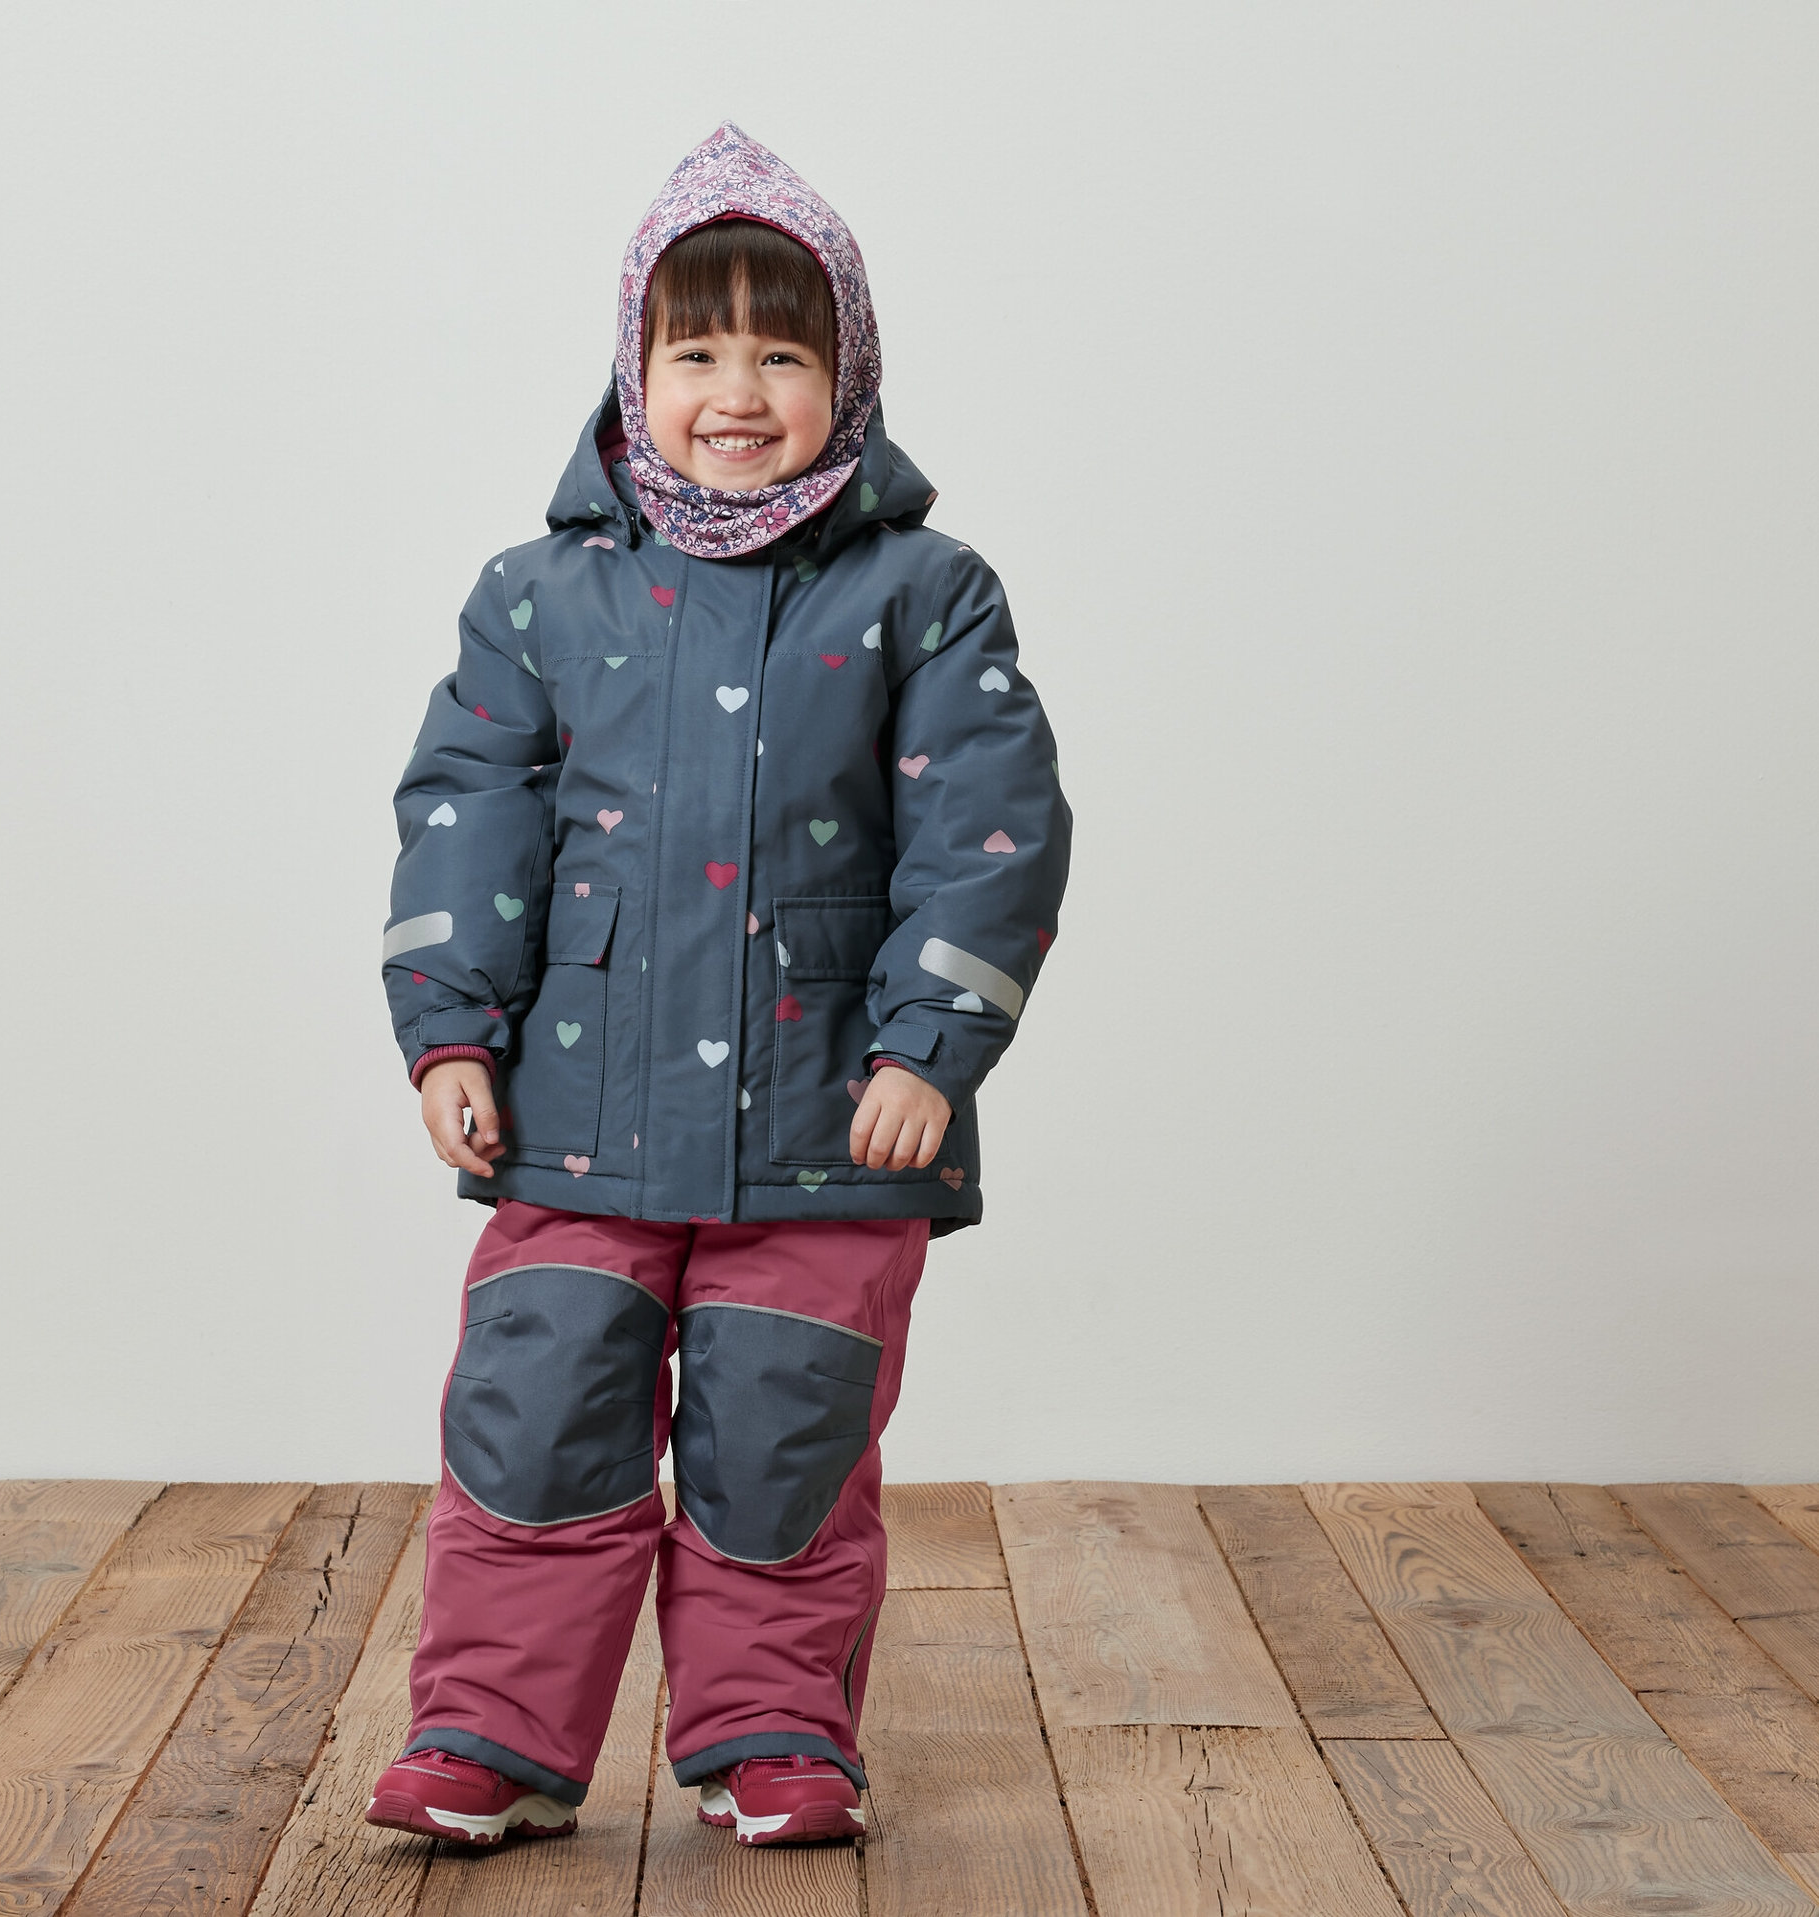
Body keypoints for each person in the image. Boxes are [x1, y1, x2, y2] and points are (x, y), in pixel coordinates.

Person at [367, 124, 1071, 1849]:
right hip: (577, 1121)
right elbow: (469, 814)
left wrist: (931, 1045)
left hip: (831, 1124)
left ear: (851, 373)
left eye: (781, 349)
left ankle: (773, 1729)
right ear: (633, 366)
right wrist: (449, 1024)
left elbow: (990, 832)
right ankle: (493, 1734)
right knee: (532, 1418)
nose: (736, 389)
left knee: (781, 1447)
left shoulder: (923, 591)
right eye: (695, 351)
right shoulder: (540, 595)